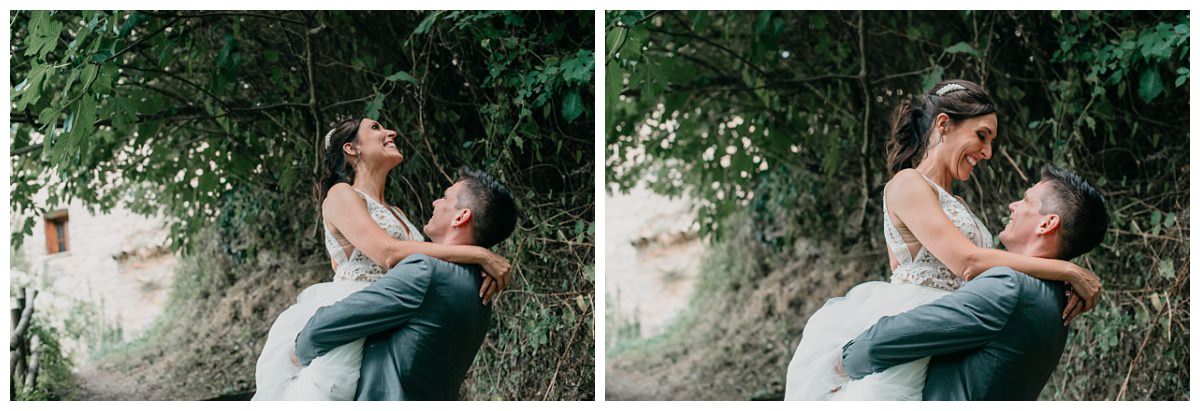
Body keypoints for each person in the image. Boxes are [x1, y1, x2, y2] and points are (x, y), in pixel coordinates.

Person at [783, 80, 1103, 400]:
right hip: (914, 323)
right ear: (943, 124)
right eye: (982, 136)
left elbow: (990, 271)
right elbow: (968, 262)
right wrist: (1066, 270)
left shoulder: (958, 205)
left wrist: (1053, 272)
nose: (988, 152)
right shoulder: (908, 184)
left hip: (948, 330)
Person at [252, 118, 512, 400]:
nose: (391, 132)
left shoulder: (399, 214)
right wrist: (478, 253)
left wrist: (473, 263)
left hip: (386, 316)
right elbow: (388, 253)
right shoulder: (342, 194)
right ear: (352, 149)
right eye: (375, 128)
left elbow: (429, 267)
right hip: (354, 312)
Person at [839, 165, 1108, 400]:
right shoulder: (1059, 297)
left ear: (1047, 224)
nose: (1013, 205)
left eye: (1026, 200)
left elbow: (881, 343)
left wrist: (845, 360)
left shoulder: (1008, 287)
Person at [293, 167, 519, 400]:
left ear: (461, 216)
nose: (435, 202)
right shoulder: (481, 290)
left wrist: (300, 348)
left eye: (445, 197)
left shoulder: (425, 271)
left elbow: (324, 328)